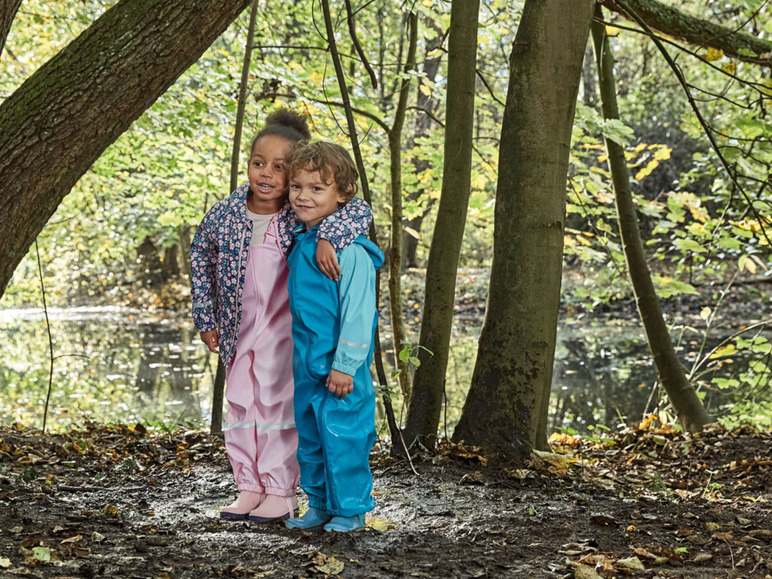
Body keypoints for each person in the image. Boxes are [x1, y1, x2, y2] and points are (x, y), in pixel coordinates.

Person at [190, 111, 372, 523]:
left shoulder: (298, 214)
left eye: (279, 167)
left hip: (283, 331)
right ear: (248, 163)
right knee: (240, 403)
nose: (267, 174)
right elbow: (201, 255)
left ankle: (279, 490)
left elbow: (358, 211)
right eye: (259, 162)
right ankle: (249, 486)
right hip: (238, 329)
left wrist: (329, 235)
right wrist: (206, 317)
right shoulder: (225, 214)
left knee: (276, 406)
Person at [283, 141, 383, 533]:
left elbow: (360, 314)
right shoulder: (302, 241)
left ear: (341, 195)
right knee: (310, 437)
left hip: (342, 370)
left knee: (344, 438)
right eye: (297, 187)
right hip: (307, 363)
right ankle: (320, 504)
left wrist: (345, 366)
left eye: (316, 188)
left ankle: (351, 509)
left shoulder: (352, 253)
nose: (303, 196)